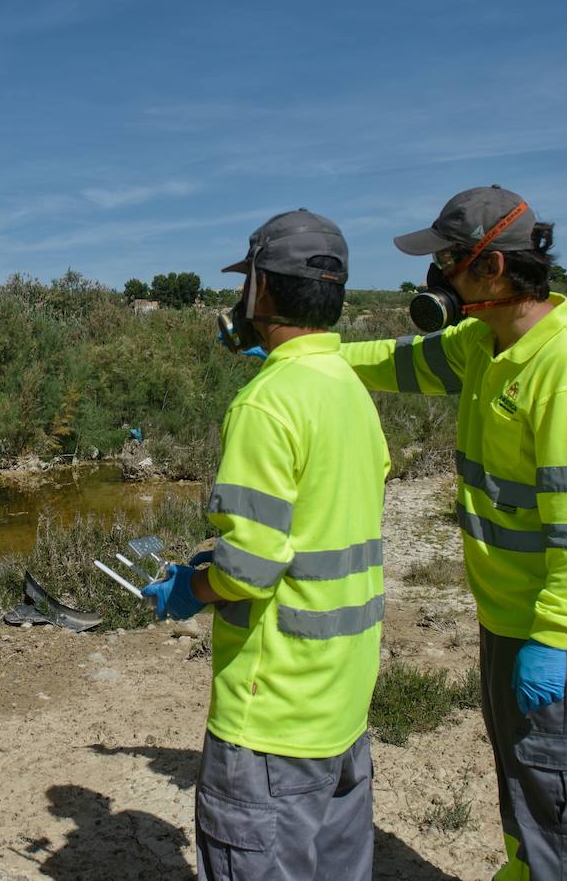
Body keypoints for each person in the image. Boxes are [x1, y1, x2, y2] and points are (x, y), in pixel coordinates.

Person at [339, 185, 567, 881]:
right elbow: (400, 362)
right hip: (506, 615)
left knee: (556, 787)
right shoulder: (484, 342)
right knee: (521, 773)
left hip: (559, 632)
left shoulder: (566, 369)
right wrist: (310, 357)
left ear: (492, 269)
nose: (435, 277)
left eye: (448, 260)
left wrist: (551, 634)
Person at [142, 209, 390, 881]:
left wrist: (188, 588)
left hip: (271, 713)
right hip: (341, 701)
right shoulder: (350, 391)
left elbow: (248, 573)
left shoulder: (266, 403)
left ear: (263, 289)